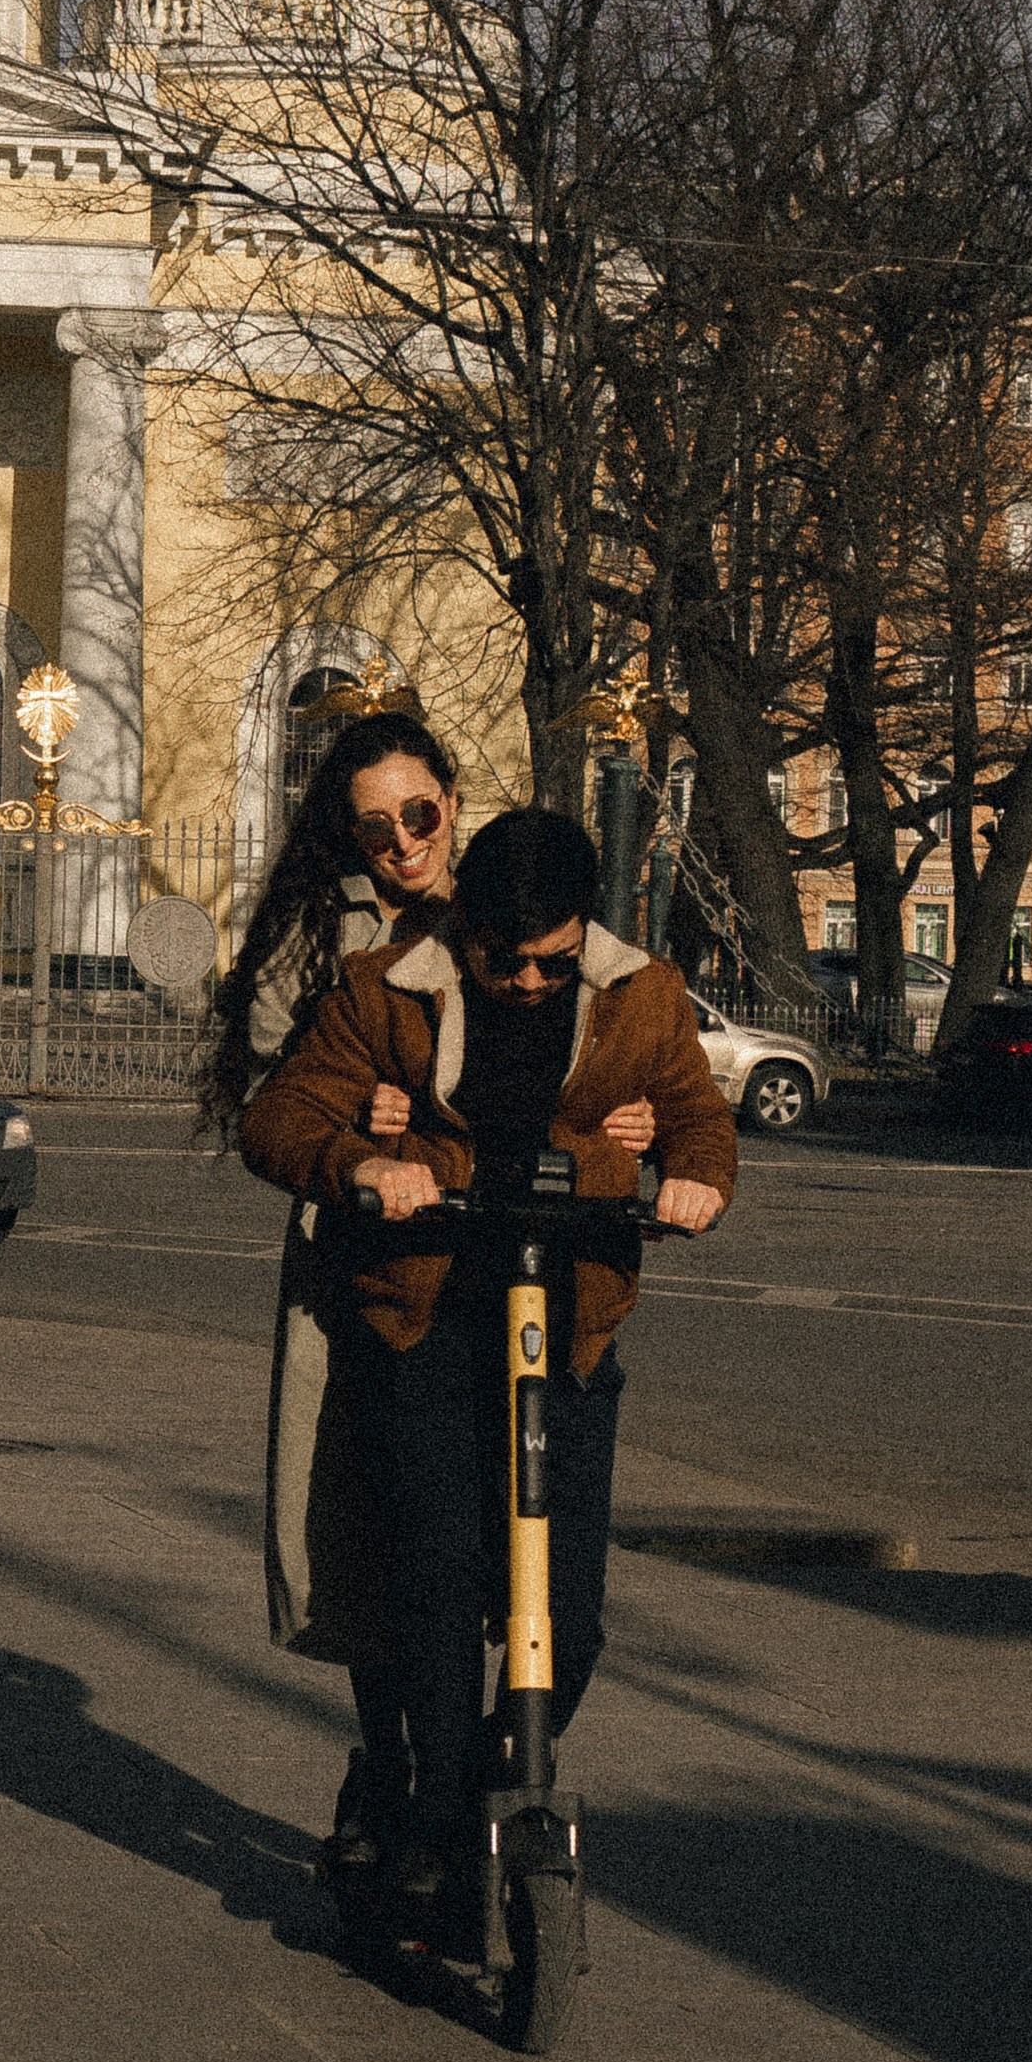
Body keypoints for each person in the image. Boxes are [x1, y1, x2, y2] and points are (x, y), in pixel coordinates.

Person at [239, 805, 735, 1899]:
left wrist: (696, 1179)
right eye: (501, 961)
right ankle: (433, 1813)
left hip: (568, 1323)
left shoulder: (640, 997)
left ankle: (491, 1781)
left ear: (584, 934)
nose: (521, 983)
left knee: (572, 1611)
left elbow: (699, 1116)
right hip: (426, 1316)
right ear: (465, 924)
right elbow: (278, 1120)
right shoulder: (385, 990)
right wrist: (365, 1170)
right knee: (437, 1581)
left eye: (548, 966)